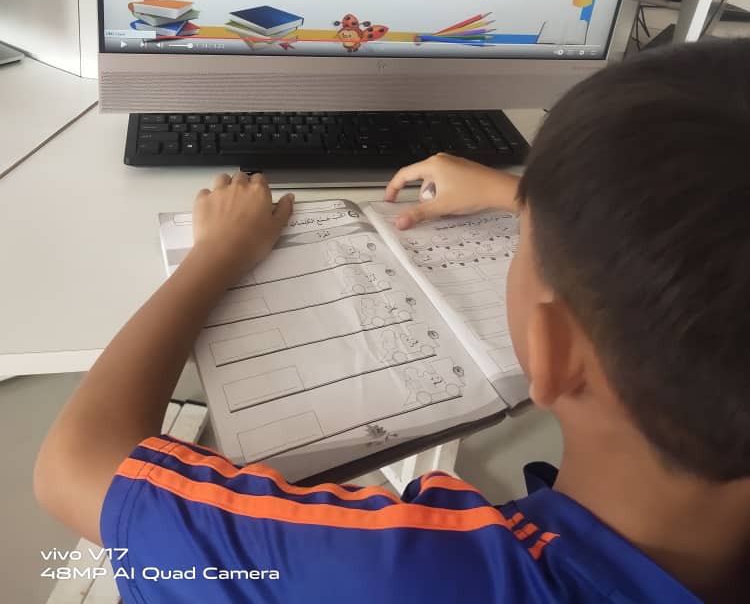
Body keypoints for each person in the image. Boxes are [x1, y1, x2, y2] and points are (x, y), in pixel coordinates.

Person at [34, 39, 750, 602]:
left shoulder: (406, 575)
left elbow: (73, 467)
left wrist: (215, 255)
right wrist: (529, 198)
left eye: (523, 242)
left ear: (554, 351)